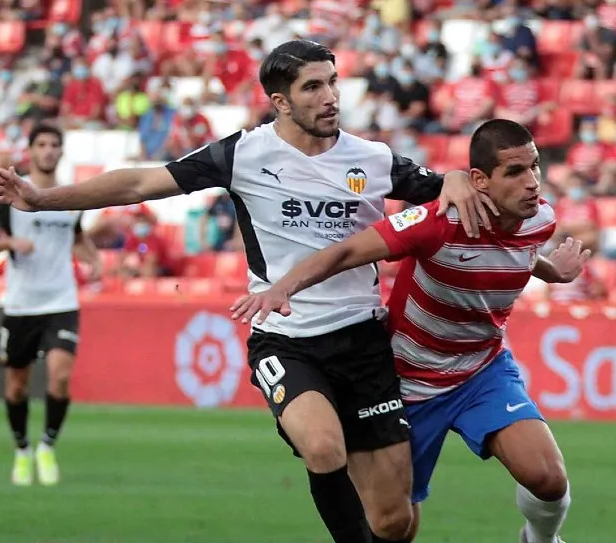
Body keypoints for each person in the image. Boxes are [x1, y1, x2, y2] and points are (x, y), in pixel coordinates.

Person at [0, 40, 491, 543]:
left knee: (393, 523)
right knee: (321, 445)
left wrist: (456, 176)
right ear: (281, 102)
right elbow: (139, 184)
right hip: (286, 339)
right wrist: (42, 198)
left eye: (333, 82)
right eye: (313, 87)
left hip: (363, 340)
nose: (330, 96)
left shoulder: (373, 159)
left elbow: (445, 186)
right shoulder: (243, 152)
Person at [231, 119, 585, 543]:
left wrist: (553, 273)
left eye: (535, 167)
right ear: (480, 180)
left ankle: (540, 540)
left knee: (547, 477)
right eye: (514, 172)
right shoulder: (435, 222)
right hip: (408, 381)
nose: (531, 183)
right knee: (395, 526)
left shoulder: (540, 217)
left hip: (482, 371)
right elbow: (345, 252)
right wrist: (282, 288)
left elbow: (518, 252)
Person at [0, 123, 100, 486]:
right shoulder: (15, 195)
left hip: (61, 301)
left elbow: (76, 237)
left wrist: (93, 258)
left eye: (54, 145)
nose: (48, 150)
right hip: (20, 305)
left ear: (61, 151)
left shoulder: (70, 197)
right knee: (16, 386)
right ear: (31, 150)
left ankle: (47, 446)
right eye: (42, 144)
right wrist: (12, 243)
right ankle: (21, 450)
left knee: (59, 378)